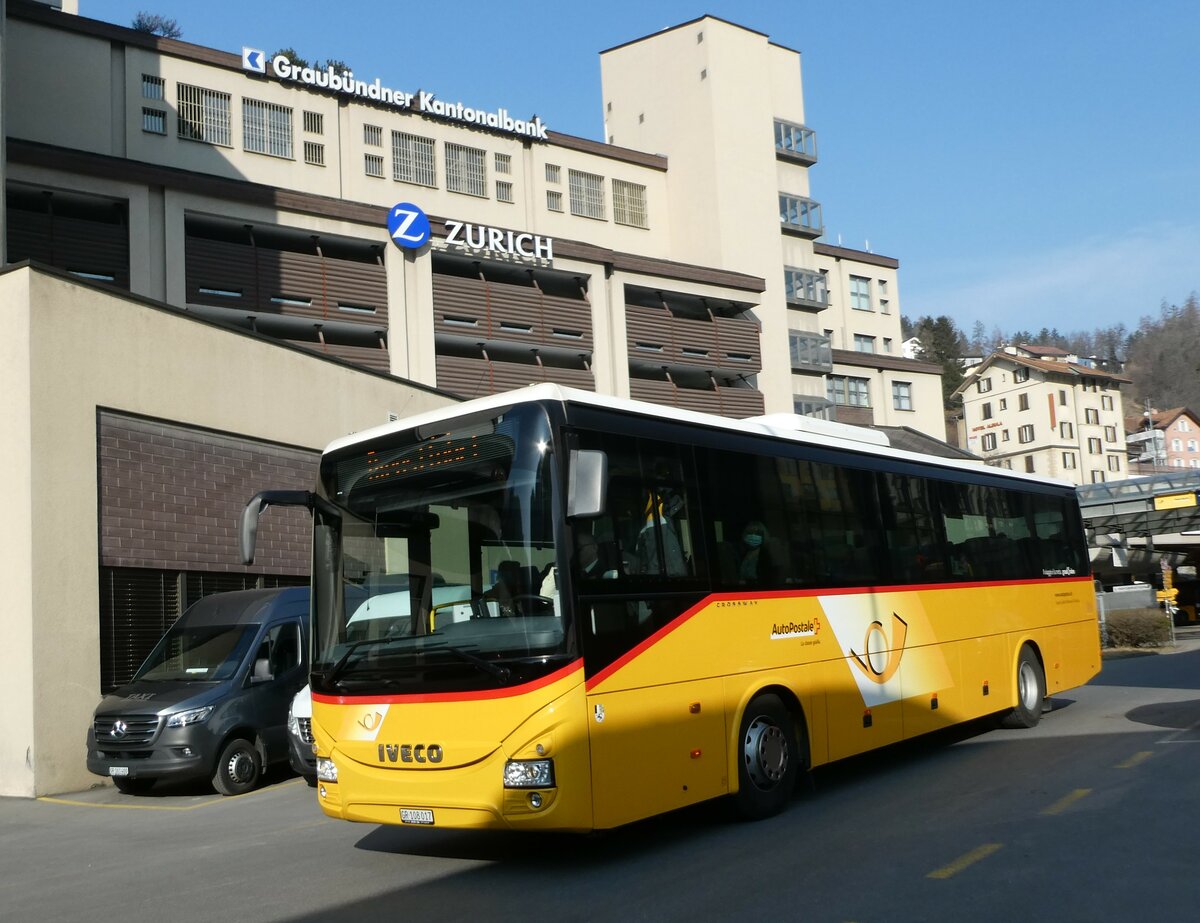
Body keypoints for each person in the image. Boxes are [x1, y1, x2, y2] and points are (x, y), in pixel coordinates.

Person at [634, 490, 687, 576]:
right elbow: (678, 501)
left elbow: (641, 560)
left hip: (666, 573)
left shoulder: (644, 530)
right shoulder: (659, 522)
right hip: (671, 573)